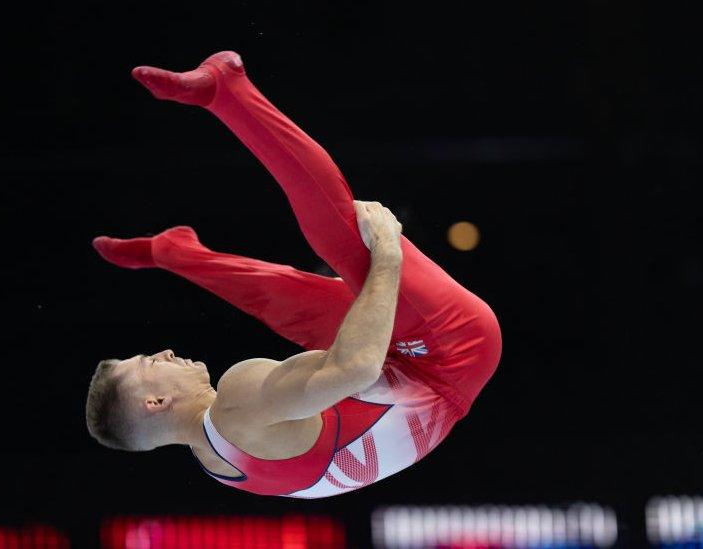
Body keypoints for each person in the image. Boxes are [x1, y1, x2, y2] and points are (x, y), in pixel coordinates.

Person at [85, 51, 502, 498]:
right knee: (349, 239)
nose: (165, 352)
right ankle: (228, 90)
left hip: (403, 371)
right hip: (450, 355)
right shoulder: (237, 405)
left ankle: (175, 251)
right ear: (155, 404)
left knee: (285, 306)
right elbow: (357, 368)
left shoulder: (221, 467)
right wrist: (386, 255)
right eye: (151, 362)